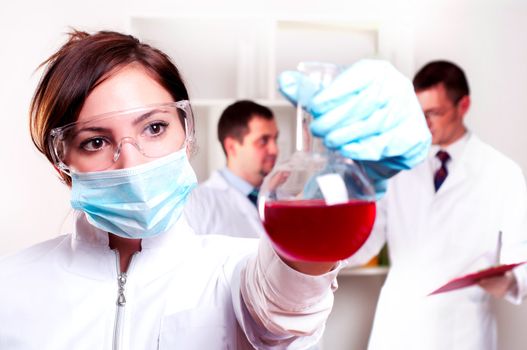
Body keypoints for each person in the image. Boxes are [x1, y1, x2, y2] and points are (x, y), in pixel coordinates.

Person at [0, 29, 430, 349]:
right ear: (62, 163)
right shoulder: (11, 288)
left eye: (154, 127)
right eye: (95, 141)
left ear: (187, 132)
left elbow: (286, 298)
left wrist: (345, 176)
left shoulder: (235, 275)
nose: (131, 163)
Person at [344, 60, 527, 350]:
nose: (424, 123)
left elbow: (522, 255)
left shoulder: (503, 172)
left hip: (462, 329)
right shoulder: (397, 167)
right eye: (419, 114)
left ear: (463, 105)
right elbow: (367, 241)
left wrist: (511, 282)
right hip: (398, 325)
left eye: (434, 113)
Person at [184, 100, 278, 238]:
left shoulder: (282, 197)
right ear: (232, 147)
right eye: (263, 141)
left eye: (275, 139)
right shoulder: (197, 204)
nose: (274, 150)